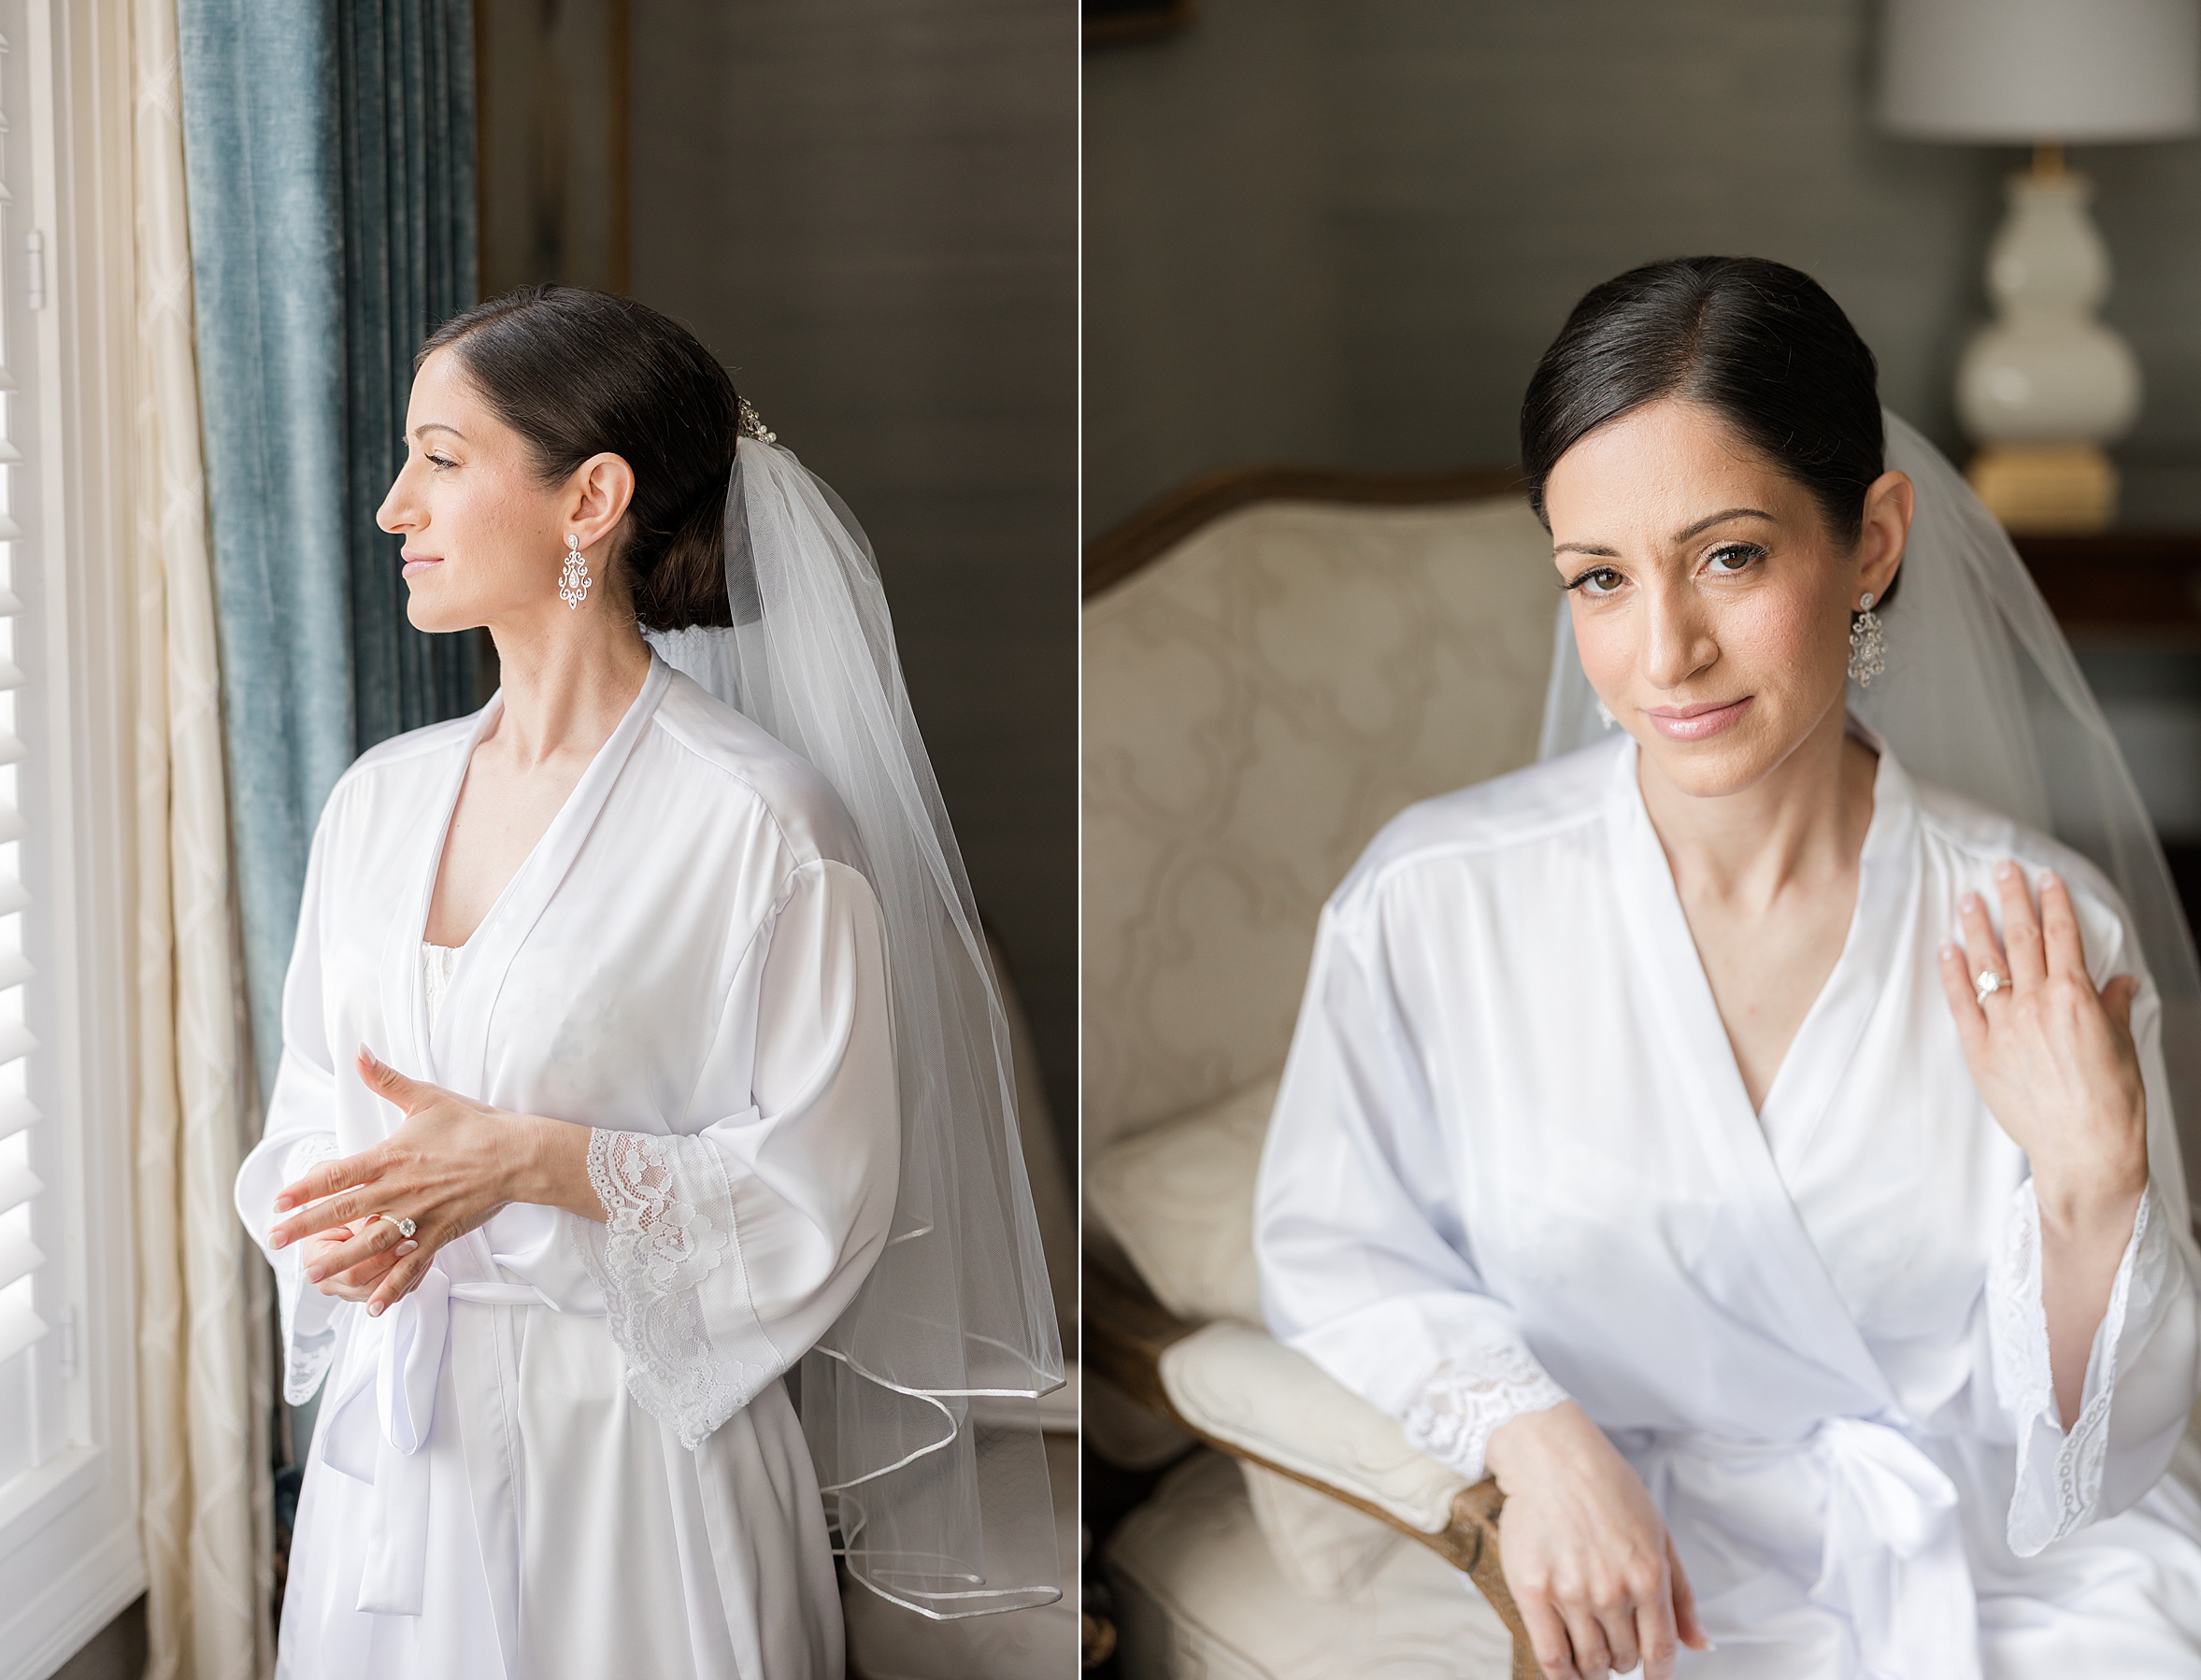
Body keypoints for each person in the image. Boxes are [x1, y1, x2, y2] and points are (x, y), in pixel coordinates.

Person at [1254, 256, 2201, 1679]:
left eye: (1730, 555)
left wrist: (2093, 1189)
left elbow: (2091, 1463)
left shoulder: (2038, 934)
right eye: (1599, 579)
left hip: (2013, 1574)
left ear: (1873, 537)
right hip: (1638, 1580)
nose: (1665, 653)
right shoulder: (1433, 905)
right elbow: (1332, 1248)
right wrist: (1539, 1436)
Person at [235, 286, 1062, 1678]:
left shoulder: (761, 827)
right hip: (399, 1461)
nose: (393, 507)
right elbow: (314, 1104)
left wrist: (534, 1163)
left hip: (633, 1478)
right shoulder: (375, 802)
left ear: (590, 498)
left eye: (441, 457)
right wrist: (346, 1221)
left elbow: (824, 1193)